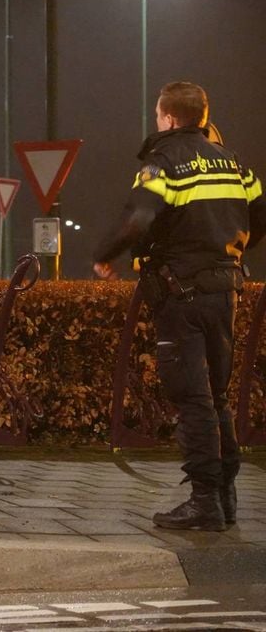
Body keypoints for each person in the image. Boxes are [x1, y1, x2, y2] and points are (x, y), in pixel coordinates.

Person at [93, 81, 265, 531]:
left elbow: (139, 217)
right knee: (218, 395)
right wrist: (229, 252)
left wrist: (105, 255)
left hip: (180, 293)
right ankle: (224, 498)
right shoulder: (234, 162)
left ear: (169, 118)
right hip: (225, 289)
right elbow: (259, 215)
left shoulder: (164, 163)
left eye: (157, 115)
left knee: (192, 397)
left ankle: (204, 501)